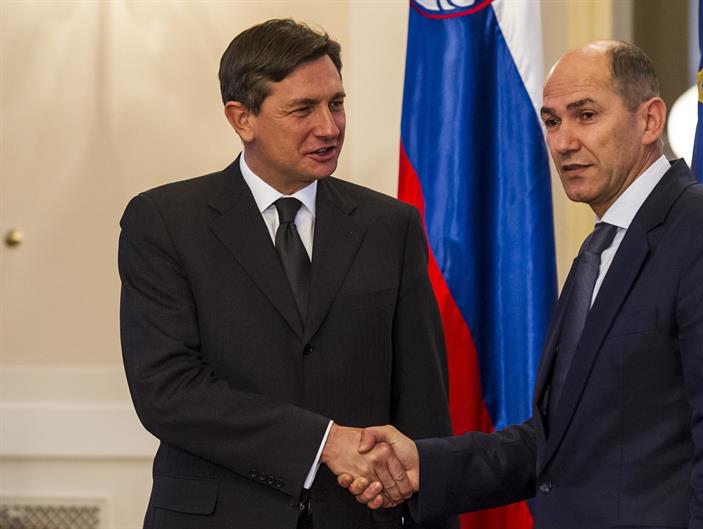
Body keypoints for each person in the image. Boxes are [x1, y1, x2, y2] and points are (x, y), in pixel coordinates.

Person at [341, 40, 703, 529]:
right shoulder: (602, 245)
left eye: (586, 115)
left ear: (650, 120)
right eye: (552, 122)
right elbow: (557, 442)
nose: (563, 142)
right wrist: (423, 465)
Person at [118, 19, 454, 529]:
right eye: (303, 109)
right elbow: (168, 392)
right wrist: (324, 442)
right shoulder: (164, 222)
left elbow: (422, 402)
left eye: (336, 103)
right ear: (242, 118)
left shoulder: (391, 226)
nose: (330, 127)